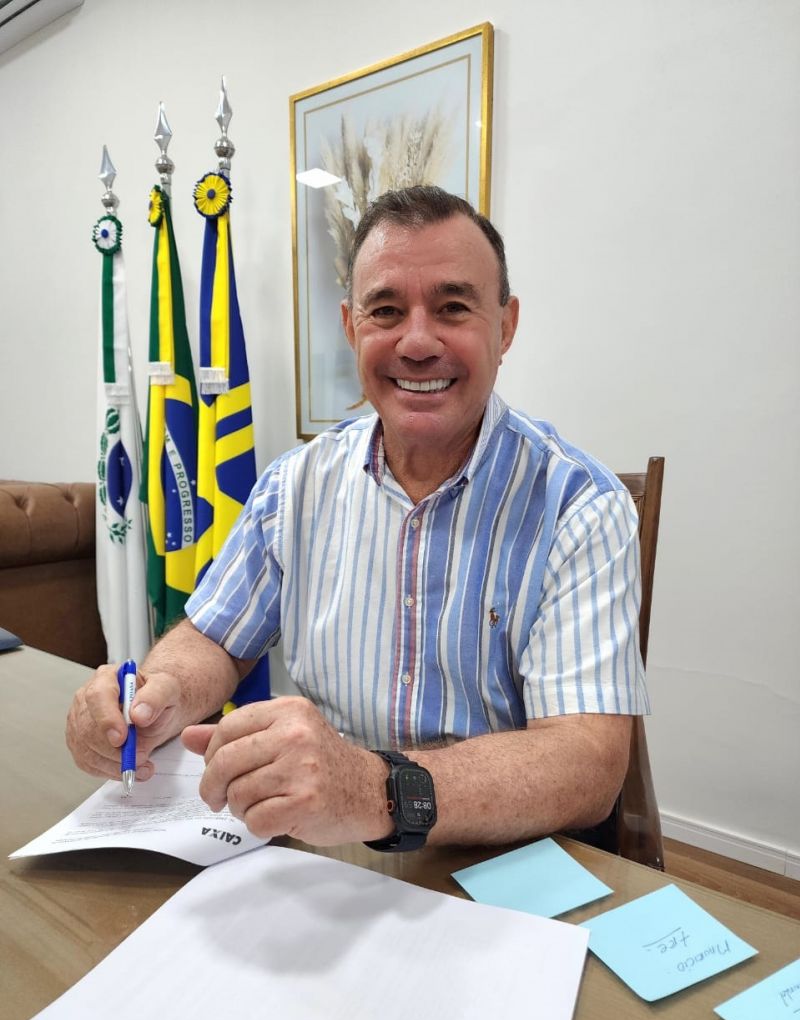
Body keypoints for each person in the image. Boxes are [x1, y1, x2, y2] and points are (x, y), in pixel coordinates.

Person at [66, 185, 648, 850]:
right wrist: (157, 693)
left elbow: (586, 764)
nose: (417, 341)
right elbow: (214, 638)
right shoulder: (294, 486)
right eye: (387, 310)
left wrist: (377, 790)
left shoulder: (580, 505)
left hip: (504, 860)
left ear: (505, 326)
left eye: (453, 307)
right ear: (351, 327)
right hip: (331, 850)